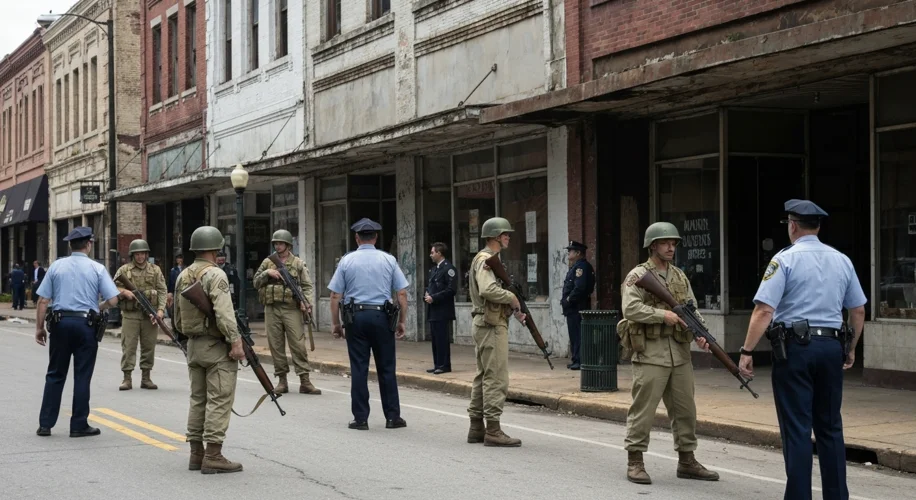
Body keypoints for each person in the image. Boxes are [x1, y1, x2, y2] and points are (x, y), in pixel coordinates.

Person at [738, 200, 866, 500]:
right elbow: (858, 310)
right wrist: (850, 348)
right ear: (818, 227)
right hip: (831, 347)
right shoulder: (842, 260)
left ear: (792, 226)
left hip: (795, 350)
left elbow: (763, 310)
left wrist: (746, 351)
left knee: (797, 428)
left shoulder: (784, 260)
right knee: (830, 427)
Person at [618, 222, 719, 484]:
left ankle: (687, 460)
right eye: (665, 243)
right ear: (652, 245)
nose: (671, 247)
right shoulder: (638, 275)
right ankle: (635, 461)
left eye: (674, 243)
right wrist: (663, 315)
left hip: (680, 352)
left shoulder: (679, 276)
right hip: (651, 352)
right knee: (643, 410)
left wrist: (702, 334)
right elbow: (630, 309)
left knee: (686, 410)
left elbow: (692, 308)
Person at [173, 226, 246, 474]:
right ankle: (213, 455)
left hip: (194, 346)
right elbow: (225, 313)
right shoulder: (216, 274)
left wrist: (191, 334)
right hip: (216, 347)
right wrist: (235, 342)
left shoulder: (183, 275)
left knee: (198, 399)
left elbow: (177, 319)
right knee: (219, 399)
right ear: (216, 249)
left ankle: (196, 454)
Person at [34, 227, 120, 438]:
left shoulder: (56, 267)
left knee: (55, 373)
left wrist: (39, 328)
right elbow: (113, 300)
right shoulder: (97, 268)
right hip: (85, 326)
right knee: (82, 375)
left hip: (60, 323)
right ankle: (78, 425)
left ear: (70, 245)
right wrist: (94, 308)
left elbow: (43, 300)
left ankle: (45, 424)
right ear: (89, 244)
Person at [329, 218, 409, 430]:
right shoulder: (388, 260)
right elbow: (401, 292)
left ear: (357, 238)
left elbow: (335, 295)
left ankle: (361, 418)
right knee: (387, 368)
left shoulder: (346, 261)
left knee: (359, 368)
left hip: (355, 319)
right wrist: (401, 321)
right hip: (382, 318)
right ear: (375, 237)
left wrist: (336, 324)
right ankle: (392, 417)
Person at [466, 217, 527, 447]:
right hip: (491, 324)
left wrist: (514, 308)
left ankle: (475, 427)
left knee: (483, 375)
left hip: (486, 322)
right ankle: (492, 429)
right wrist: (511, 298)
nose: (508, 237)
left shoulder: (488, 260)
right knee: (496, 376)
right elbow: (488, 289)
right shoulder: (485, 260)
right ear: (494, 237)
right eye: (505, 234)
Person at [253, 229, 320, 395]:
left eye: (281, 243)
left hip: (291, 308)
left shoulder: (297, 263)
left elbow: (306, 286)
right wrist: (267, 273)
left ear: (288, 245)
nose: (278, 246)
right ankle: (282, 380)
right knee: (276, 345)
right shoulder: (268, 262)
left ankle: (305, 380)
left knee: (297, 344)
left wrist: (307, 303)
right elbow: (255, 282)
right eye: (275, 243)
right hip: (272, 308)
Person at [113, 239, 168, 391]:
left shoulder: (155, 270)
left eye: (143, 253)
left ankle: (146, 377)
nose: (140, 257)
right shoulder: (124, 270)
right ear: (132, 255)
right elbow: (111, 288)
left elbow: (162, 290)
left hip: (149, 315)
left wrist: (160, 311)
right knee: (129, 347)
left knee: (149, 347)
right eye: (137, 254)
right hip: (130, 314)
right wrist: (124, 291)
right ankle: (127, 378)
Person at [560, 241, 596, 370]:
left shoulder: (581, 267)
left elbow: (580, 288)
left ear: (578, 253)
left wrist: (569, 300)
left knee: (578, 334)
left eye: (571, 250)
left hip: (577, 307)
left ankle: (580, 360)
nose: (568, 252)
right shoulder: (576, 266)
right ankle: (576, 359)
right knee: (574, 334)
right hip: (573, 308)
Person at [424, 242, 456, 375]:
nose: (431, 255)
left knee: (442, 338)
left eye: (432, 252)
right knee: (435, 339)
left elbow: (451, 289)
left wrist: (434, 298)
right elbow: (430, 286)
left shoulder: (449, 269)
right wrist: (426, 294)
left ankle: (444, 365)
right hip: (433, 309)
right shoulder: (434, 269)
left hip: (442, 309)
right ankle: (437, 363)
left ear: (439, 253)